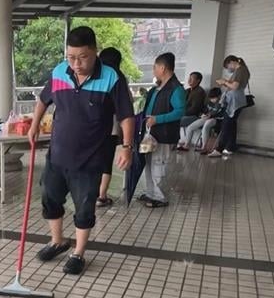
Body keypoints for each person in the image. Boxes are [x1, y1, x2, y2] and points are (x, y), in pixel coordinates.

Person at [28, 27, 135, 275]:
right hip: (57, 154)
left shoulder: (112, 78)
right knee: (50, 198)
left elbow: (127, 115)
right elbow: (43, 100)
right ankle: (57, 241)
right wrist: (34, 125)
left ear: (95, 52)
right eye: (71, 57)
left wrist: (127, 147)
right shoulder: (58, 72)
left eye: (83, 57)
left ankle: (78, 253)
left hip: (90, 159)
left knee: (85, 206)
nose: (76, 63)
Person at [137, 52, 186, 208]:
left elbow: (179, 111)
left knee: (159, 165)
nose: (153, 70)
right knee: (150, 163)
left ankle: (160, 197)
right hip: (152, 133)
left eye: (155, 67)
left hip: (164, 134)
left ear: (163, 68)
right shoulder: (158, 88)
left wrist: (158, 119)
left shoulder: (175, 89)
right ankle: (151, 193)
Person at [95, 47, 133, 208]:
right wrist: (127, 145)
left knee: (94, 159)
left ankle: (91, 192)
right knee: (106, 161)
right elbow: (127, 107)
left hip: (93, 126)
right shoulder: (119, 78)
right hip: (111, 128)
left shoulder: (96, 76)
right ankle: (101, 196)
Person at [207, 55, 250, 157]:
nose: (228, 69)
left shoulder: (240, 70)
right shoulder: (243, 70)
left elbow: (235, 86)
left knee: (226, 124)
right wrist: (225, 83)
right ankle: (230, 147)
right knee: (231, 124)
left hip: (234, 101)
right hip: (237, 100)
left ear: (231, 62)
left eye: (227, 67)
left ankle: (219, 148)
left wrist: (224, 82)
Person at [183, 87, 224, 151]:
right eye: (211, 98)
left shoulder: (222, 104)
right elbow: (203, 110)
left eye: (214, 98)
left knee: (206, 125)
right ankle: (186, 145)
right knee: (190, 127)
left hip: (217, 119)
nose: (212, 100)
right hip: (206, 117)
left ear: (219, 96)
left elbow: (220, 113)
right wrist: (202, 114)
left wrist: (211, 115)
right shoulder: (209, 103)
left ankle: (204, 147)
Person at [177, 72, 206, 151]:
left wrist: (181, 114)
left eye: (192, 78)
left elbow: (194, 109)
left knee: (175, 121)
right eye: (189, 78)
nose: (189, 80)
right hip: (185, 114)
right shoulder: (187, 90)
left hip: (194, 116)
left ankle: (174, 142)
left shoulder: (199, 92)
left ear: (198, 80)